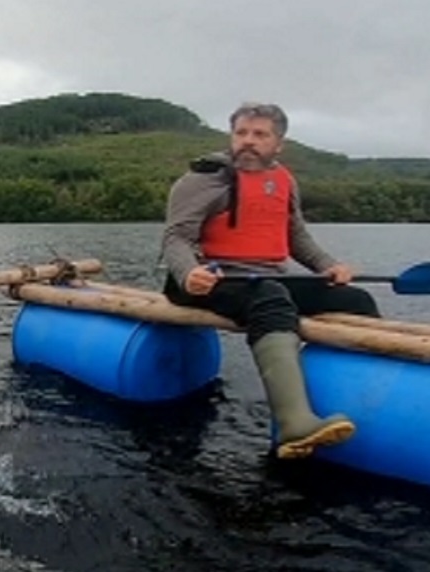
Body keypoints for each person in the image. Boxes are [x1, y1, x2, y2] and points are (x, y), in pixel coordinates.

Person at [160, 101, 381, 460]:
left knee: (355, 300)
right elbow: (176, 238)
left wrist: (329, 265)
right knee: (271, 296)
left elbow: (297, 239)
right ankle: (295, 423)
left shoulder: (284, 180)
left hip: (265, 279)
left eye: (259, 135)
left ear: (279, 144)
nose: (248, 141)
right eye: (241, 133)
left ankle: (374, 402)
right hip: (207, 281)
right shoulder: (203, 179)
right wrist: (188, 274)